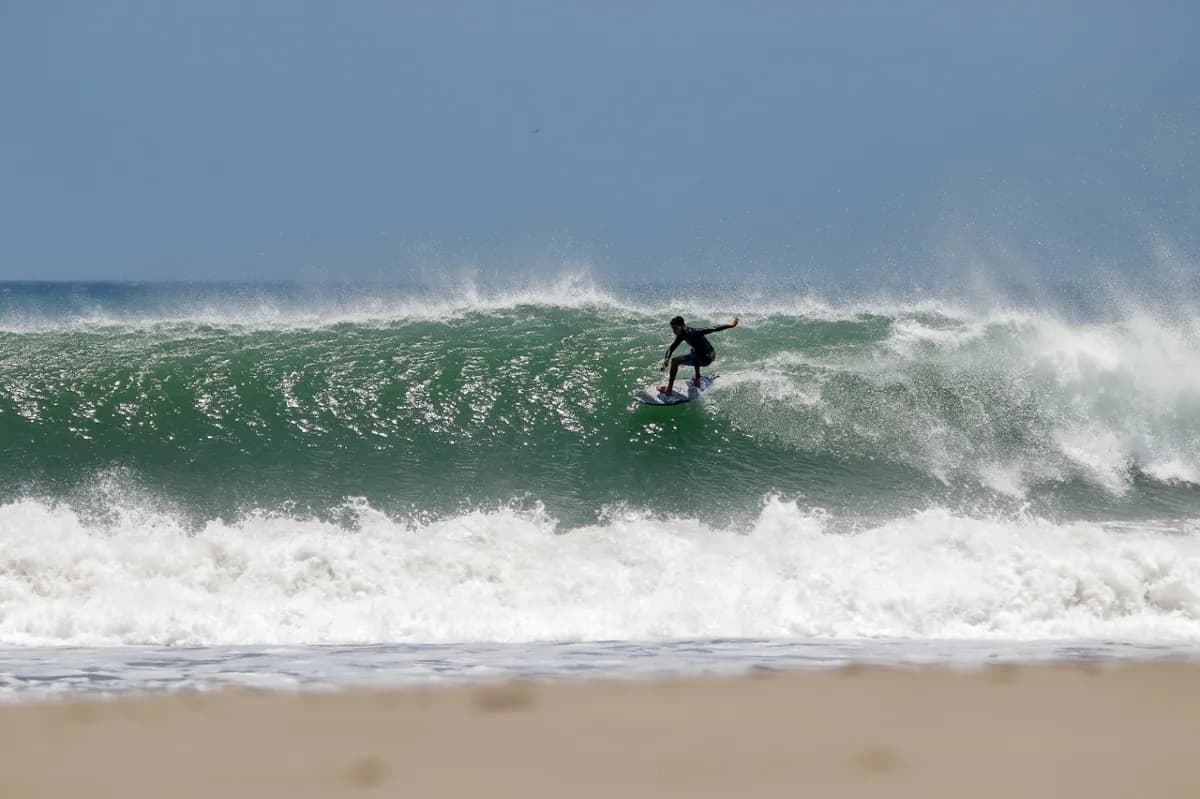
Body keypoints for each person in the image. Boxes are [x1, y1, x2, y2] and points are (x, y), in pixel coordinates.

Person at [658, 314, 739, 395]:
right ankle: (697, 378)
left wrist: (731, 325)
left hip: (706, 359)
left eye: (676, 328)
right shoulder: (682, 335)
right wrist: (666, 360)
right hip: (707, 355)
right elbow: (671, 348)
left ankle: (669, 390)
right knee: (693, 350)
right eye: (673, 329)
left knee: (675, 361)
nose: (674, 331)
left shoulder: (694, 332)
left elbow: (714, 328)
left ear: (682, 325)